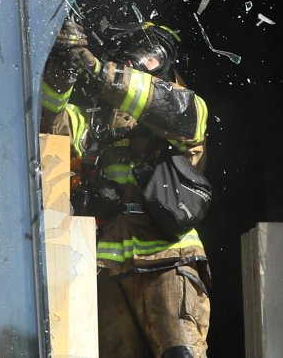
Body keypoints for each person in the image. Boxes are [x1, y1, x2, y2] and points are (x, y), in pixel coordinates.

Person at [40, 20, 211, 358]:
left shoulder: (185, 108)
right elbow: (51, 123)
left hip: (167, 259)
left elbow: (150, 97)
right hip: (107, 269)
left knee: (180, 353)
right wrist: (63, 66)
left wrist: (95, 68)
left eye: (149, 53)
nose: (138, 60)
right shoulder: (95, 120)